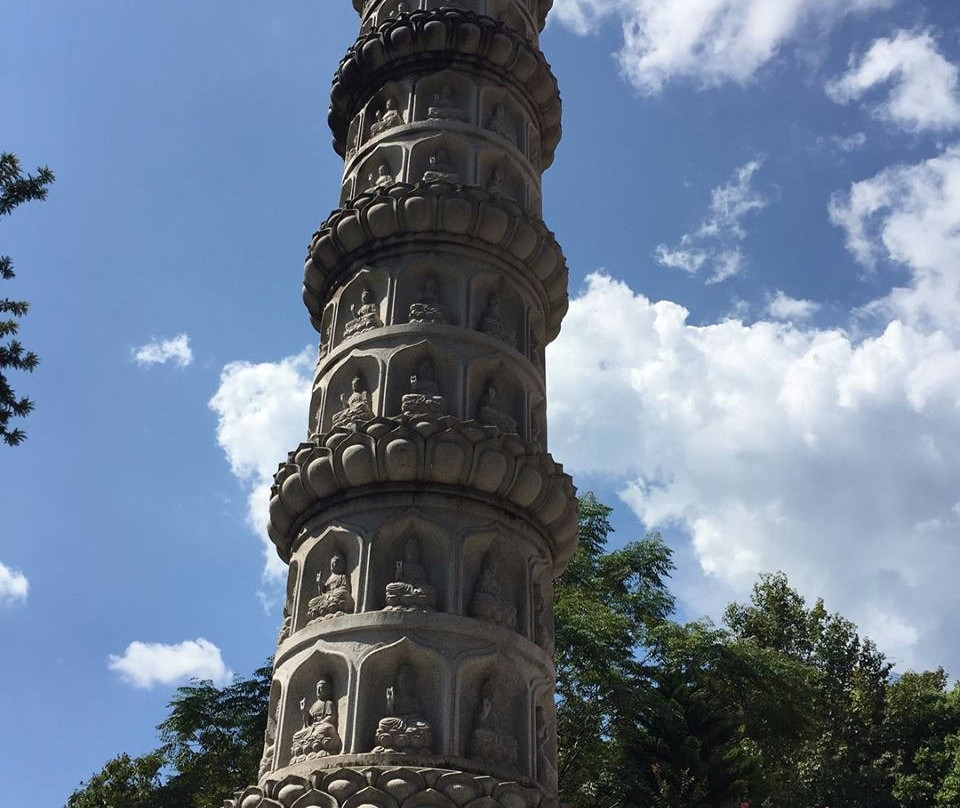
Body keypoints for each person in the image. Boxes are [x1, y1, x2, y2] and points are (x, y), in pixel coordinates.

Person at [290, 678, 343, 761]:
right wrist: (304, 711)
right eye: (317, 689)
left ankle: (314, 746)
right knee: (296, 735)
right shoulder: (314, 705)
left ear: (326, 690)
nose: (318, 691)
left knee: (325, 729)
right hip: (312, 728)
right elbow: (308, 721)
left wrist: (320, 723)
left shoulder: (328, 703)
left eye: (320, 689)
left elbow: (331, 717)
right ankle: (311, 746)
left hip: (321, 726)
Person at [384, 538, 437, 610]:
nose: (411, 553)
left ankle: (408, 598)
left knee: (431, 590)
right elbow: (398, 581)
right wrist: (399, 572)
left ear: (418, 554)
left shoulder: (420, 568)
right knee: (389, 587)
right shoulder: (403, 567)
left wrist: (417, 587)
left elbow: (423, 582)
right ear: (406, 553)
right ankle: (413, 598)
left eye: (414, 551)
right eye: (409, 551)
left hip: (417, 588)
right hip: (405, 588)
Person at [307, 552, 355, 622]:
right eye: (333, 563)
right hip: (328, 597)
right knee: (311, 602)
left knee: (343, 592)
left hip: (336, 595)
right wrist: (319, 583)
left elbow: (345, 588)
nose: (335, 565)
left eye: (337, 563)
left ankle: (329, 607)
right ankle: (327, 606)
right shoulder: (329, 578)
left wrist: (333, 593)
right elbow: (323, 592)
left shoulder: (342, 576)